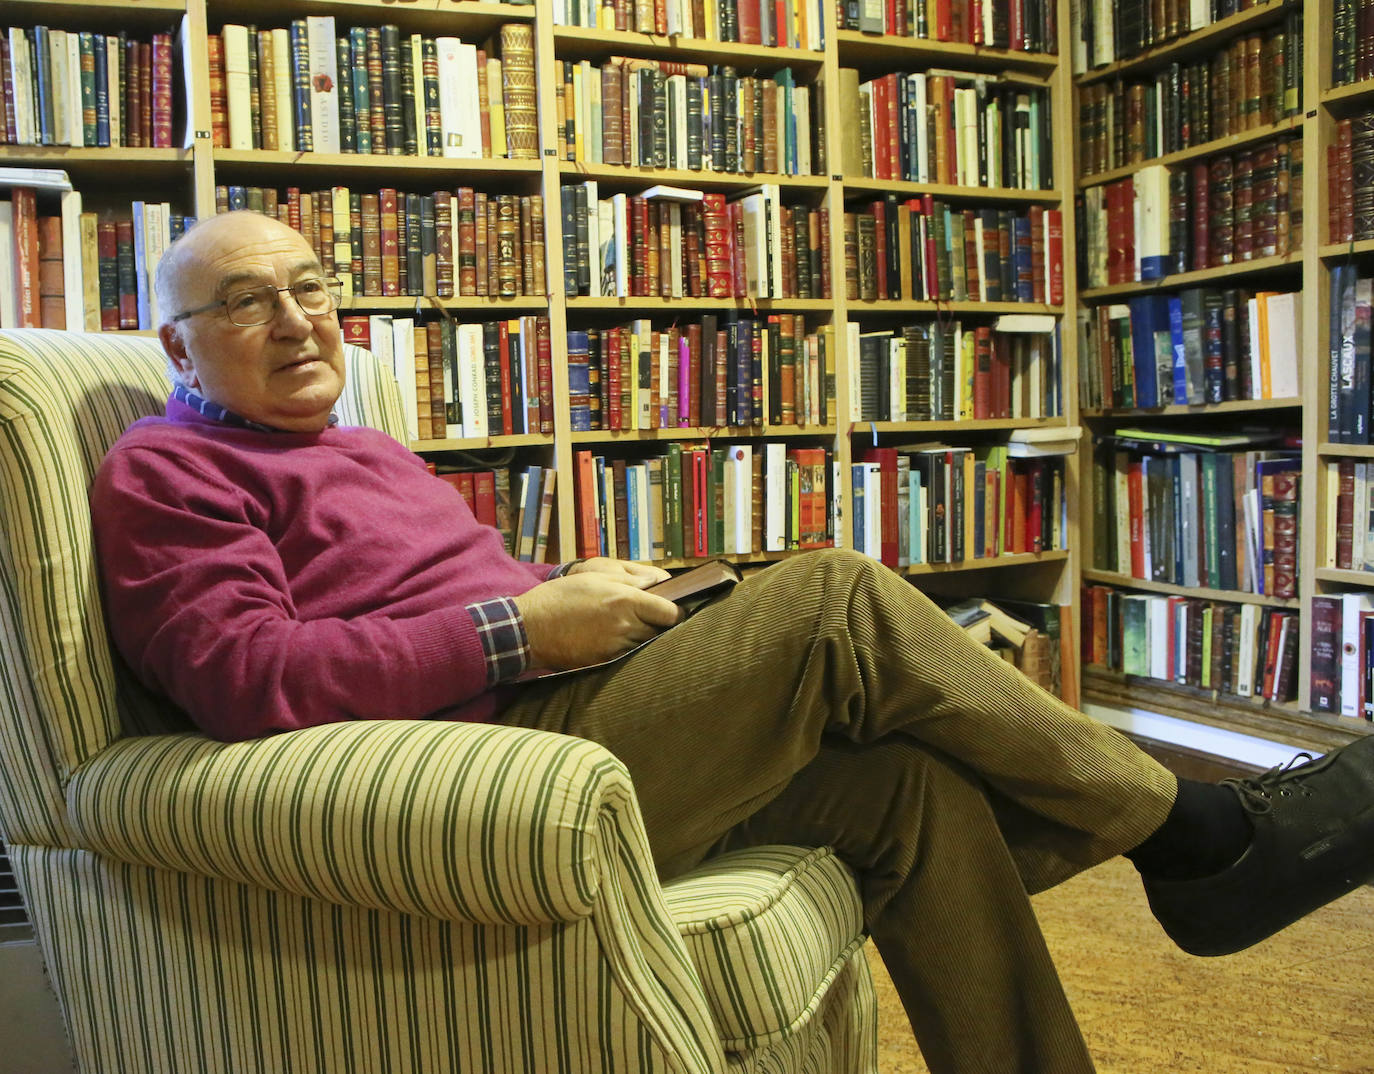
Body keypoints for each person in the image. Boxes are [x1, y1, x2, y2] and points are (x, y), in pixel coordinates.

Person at [90, 210, 1374, 1074]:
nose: (298, 319)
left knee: (909, 789)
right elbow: (242, 676)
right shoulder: (168, 472)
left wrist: (566, 584)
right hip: (485, 775)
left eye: (312, 286)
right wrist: (518, 630)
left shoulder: (355, 445)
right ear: (178, 344)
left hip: (563, 701)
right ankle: (1200, 840)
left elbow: (431, 589)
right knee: (832, 594)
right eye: (247, 302)